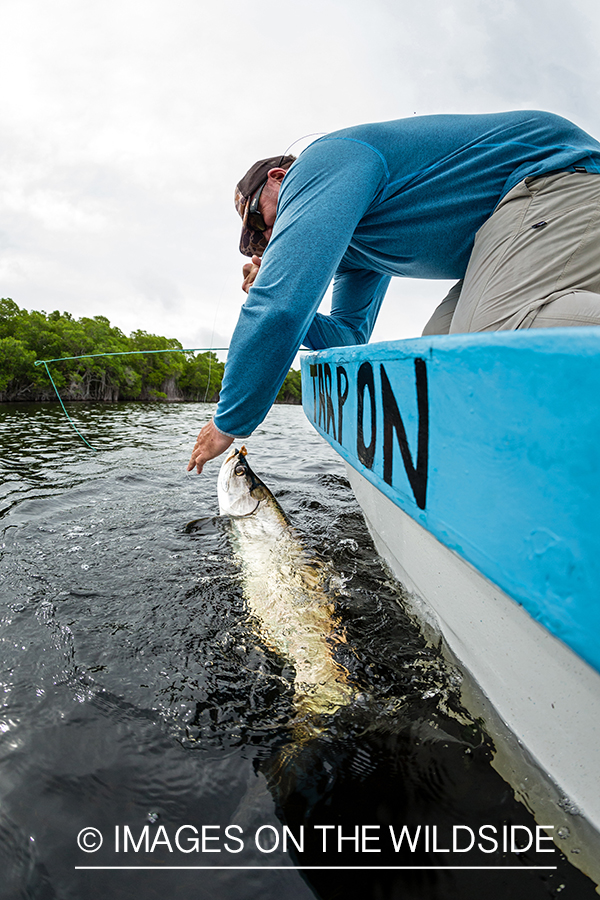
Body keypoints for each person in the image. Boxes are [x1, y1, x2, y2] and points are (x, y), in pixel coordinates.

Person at [188, 110, 600, 473]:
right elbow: (349, 334)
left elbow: (280, 307)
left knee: (485, 342)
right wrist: (285, 295)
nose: (268, 237)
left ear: (279, 178)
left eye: (259, 221)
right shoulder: (358, 248)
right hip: (511, 225)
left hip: (556, 176)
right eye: (258, 242)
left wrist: (229, 422)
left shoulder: (321, 163)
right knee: (441, 357)